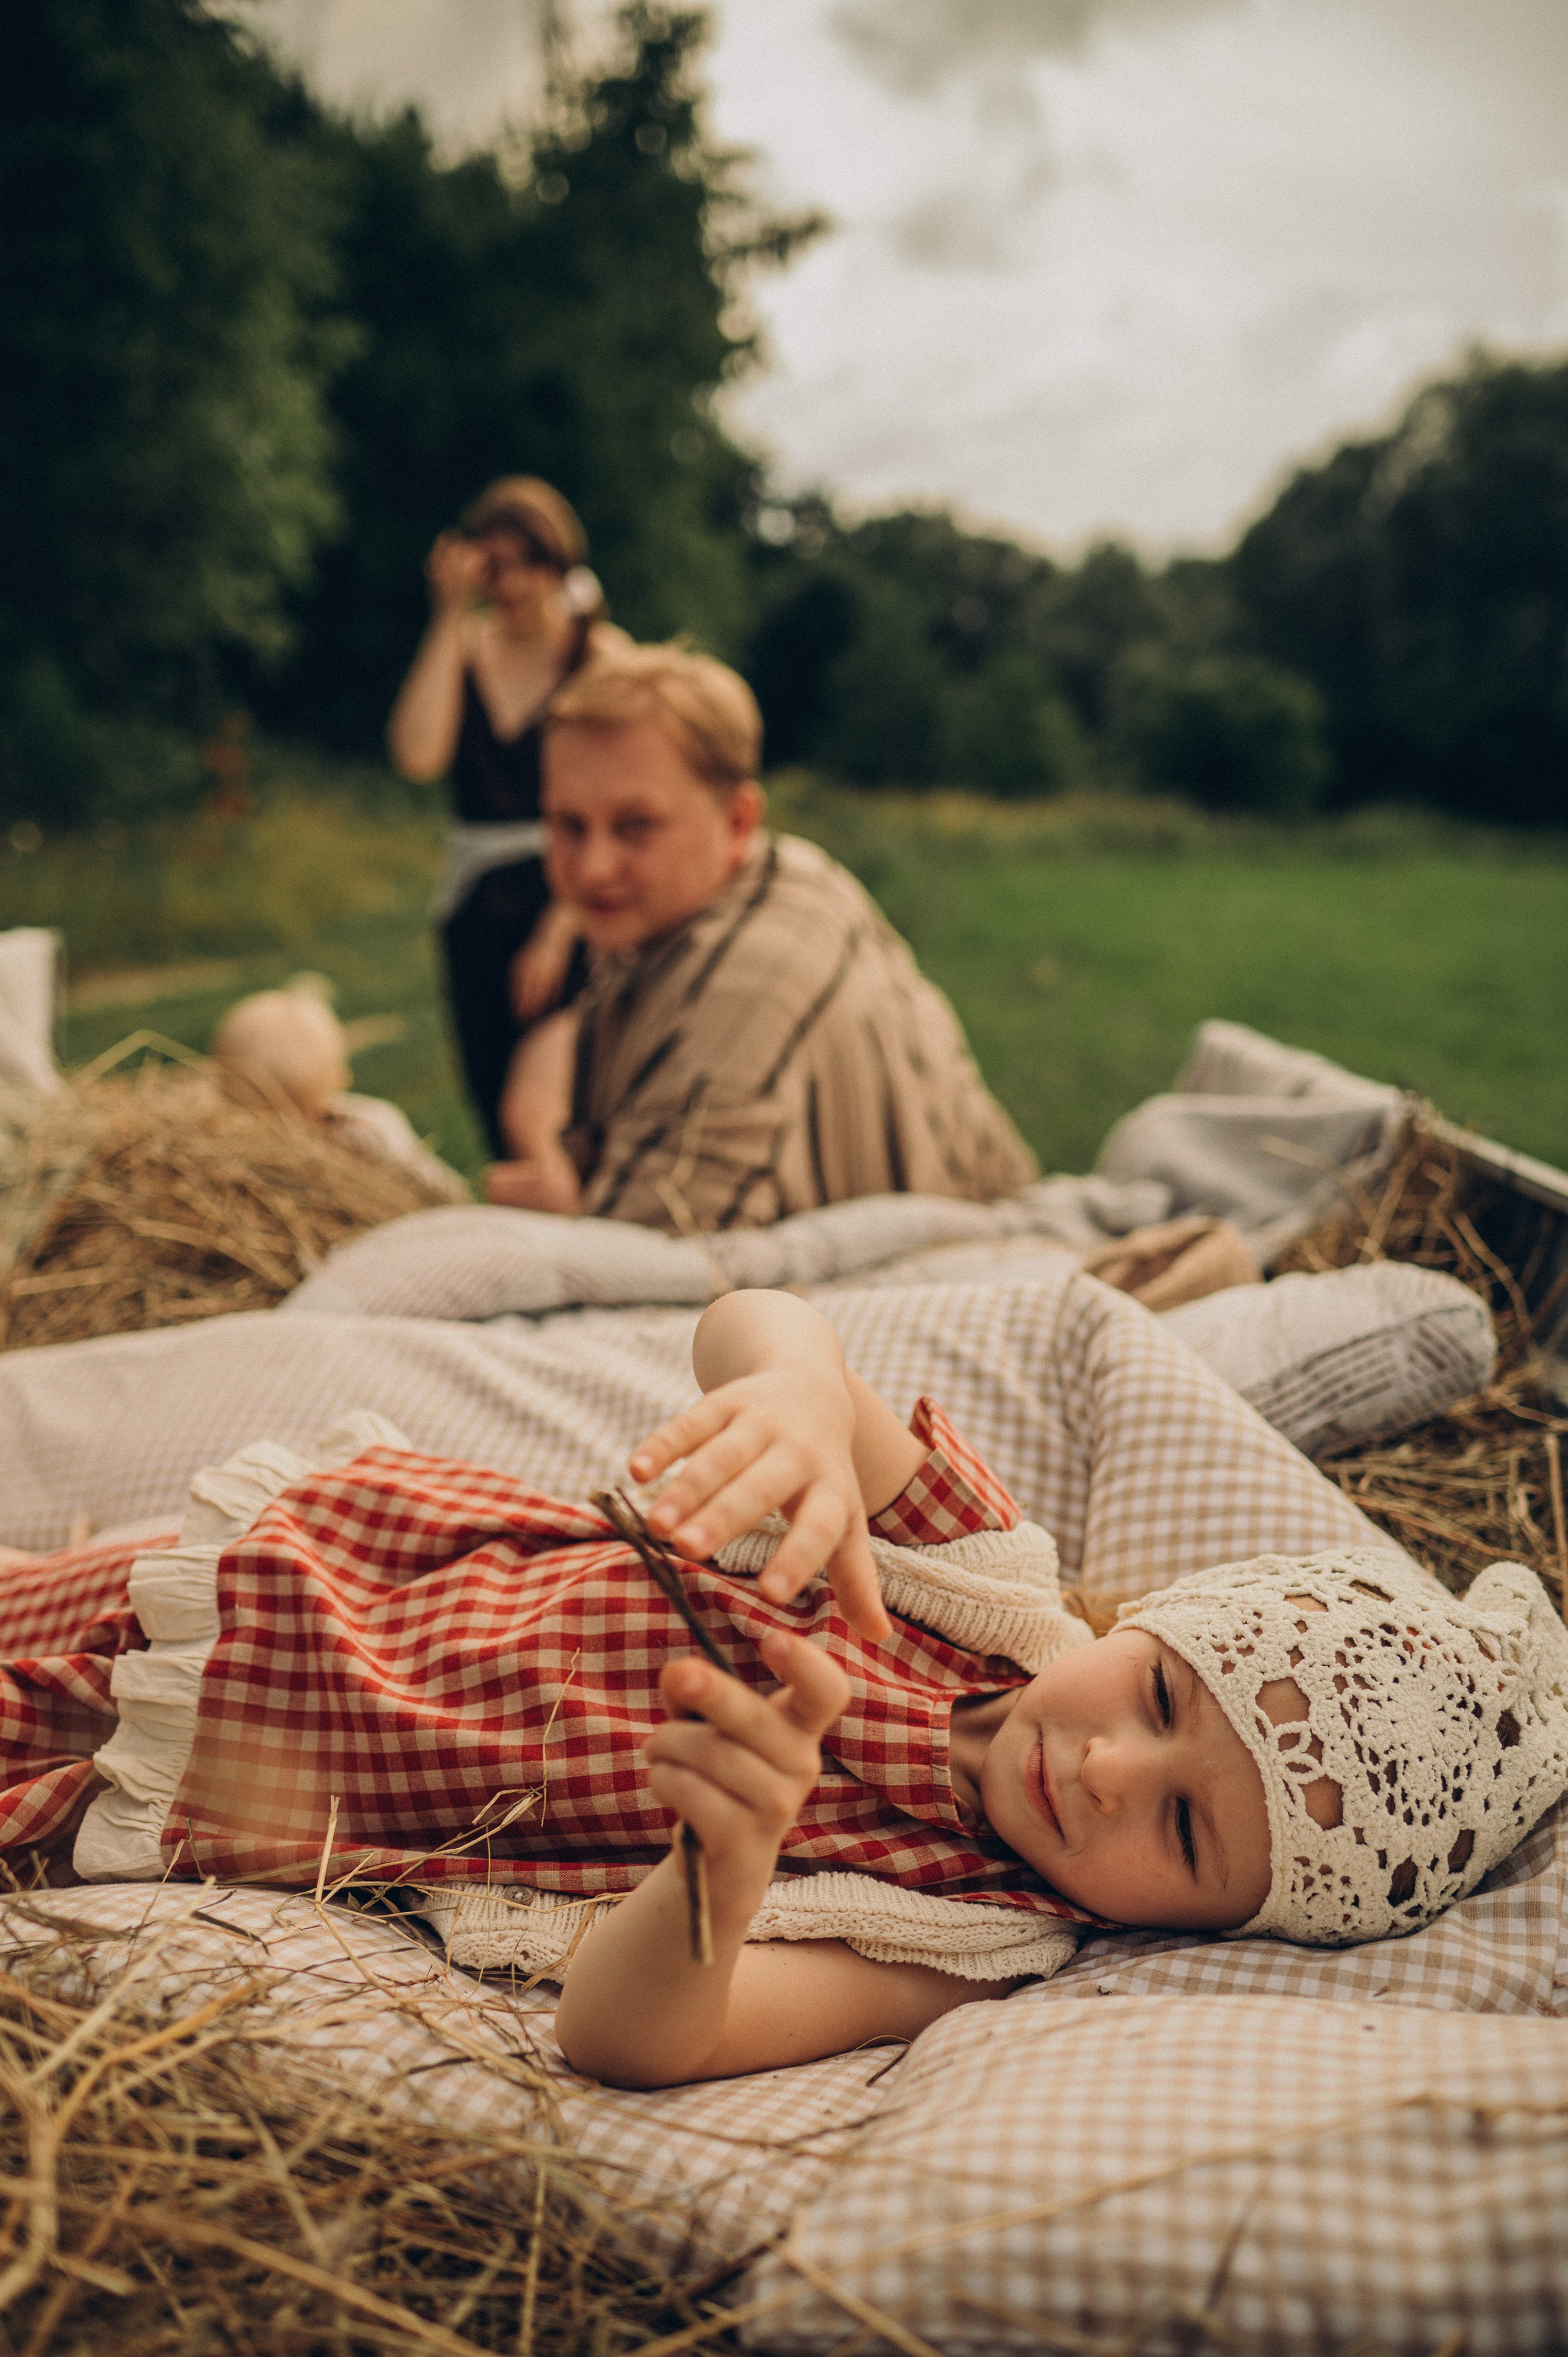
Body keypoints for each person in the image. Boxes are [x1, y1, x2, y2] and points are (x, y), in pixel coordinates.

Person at [1, 1294, 1563, 2091]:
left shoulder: (965, 1936)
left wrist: (715, 1871)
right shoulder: (975, 1572)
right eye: (1156, 1693)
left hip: (239, 1771)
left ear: (1207, 1926)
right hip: (297, 1570)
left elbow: (633, 2043)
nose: (1100, 1763)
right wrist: (803, 1394)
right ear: (1142, 1620)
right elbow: (750, 1323)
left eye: (1179, 1825)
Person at [483, 643, 1040, 1228]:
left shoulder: (742, 988)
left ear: (738, 820)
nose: (594, 866)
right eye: (568, 825)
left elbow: (645, 1257)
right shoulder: (780, 872)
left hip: (966, 1268)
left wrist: (560, 1197)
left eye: (635, 826)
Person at [385, 477, 627, 1158]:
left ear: (559, 565)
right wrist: (447, 618)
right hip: (479, 904)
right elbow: (417, 754)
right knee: (496, 1102)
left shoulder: (599, 656)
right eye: (497, 565)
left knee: (574, 1100)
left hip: (577, 895)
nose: (516, 583)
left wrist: (563, 922)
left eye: (531, 563)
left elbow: (623, 796)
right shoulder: (463, 648)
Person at [209, 980, 466, 1197]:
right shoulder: (374, 1123)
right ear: (339, 1073)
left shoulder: (366, 1128)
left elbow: (444, 1189)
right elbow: (450, 1191)